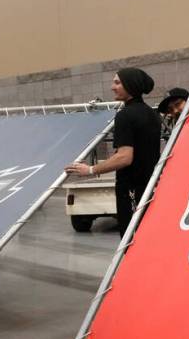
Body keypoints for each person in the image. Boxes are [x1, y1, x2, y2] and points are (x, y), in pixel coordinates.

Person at [66, 68, 161, 237]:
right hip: (150, 187)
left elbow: (124, 157)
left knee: (131, 239)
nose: (112, 87)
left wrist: (90, 170)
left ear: (130, 85)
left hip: (131, 189)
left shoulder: (125, 115)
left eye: (117, 82)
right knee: (148, 235)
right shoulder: (152, 114)